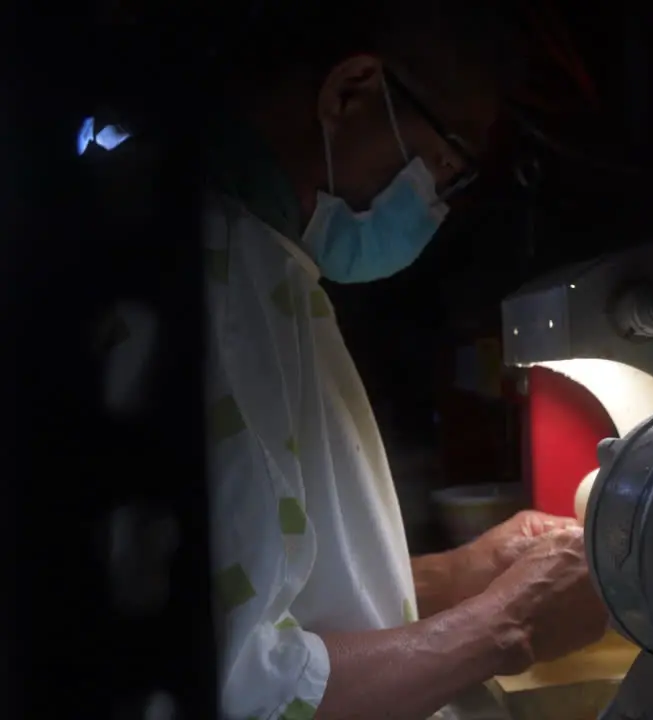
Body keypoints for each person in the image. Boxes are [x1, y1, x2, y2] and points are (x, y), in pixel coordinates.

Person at [192, 1, 607, 717]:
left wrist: (464, 575)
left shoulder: (269, 272)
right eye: (449, 158)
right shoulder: (218, 284)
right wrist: (505, 626)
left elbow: (273, 595)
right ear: (350, 91)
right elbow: (245, 690)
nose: (441, 201)